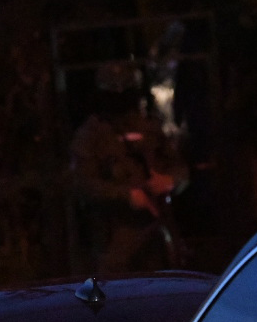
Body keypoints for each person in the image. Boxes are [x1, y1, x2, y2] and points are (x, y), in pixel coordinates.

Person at [70, 104, 190, 273]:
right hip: (116, 236)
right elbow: (83, 184)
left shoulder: (149, 125)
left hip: (158, 230)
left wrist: (169, 181)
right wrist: (127, 195)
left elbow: (180, 170)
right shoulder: (91, 134)